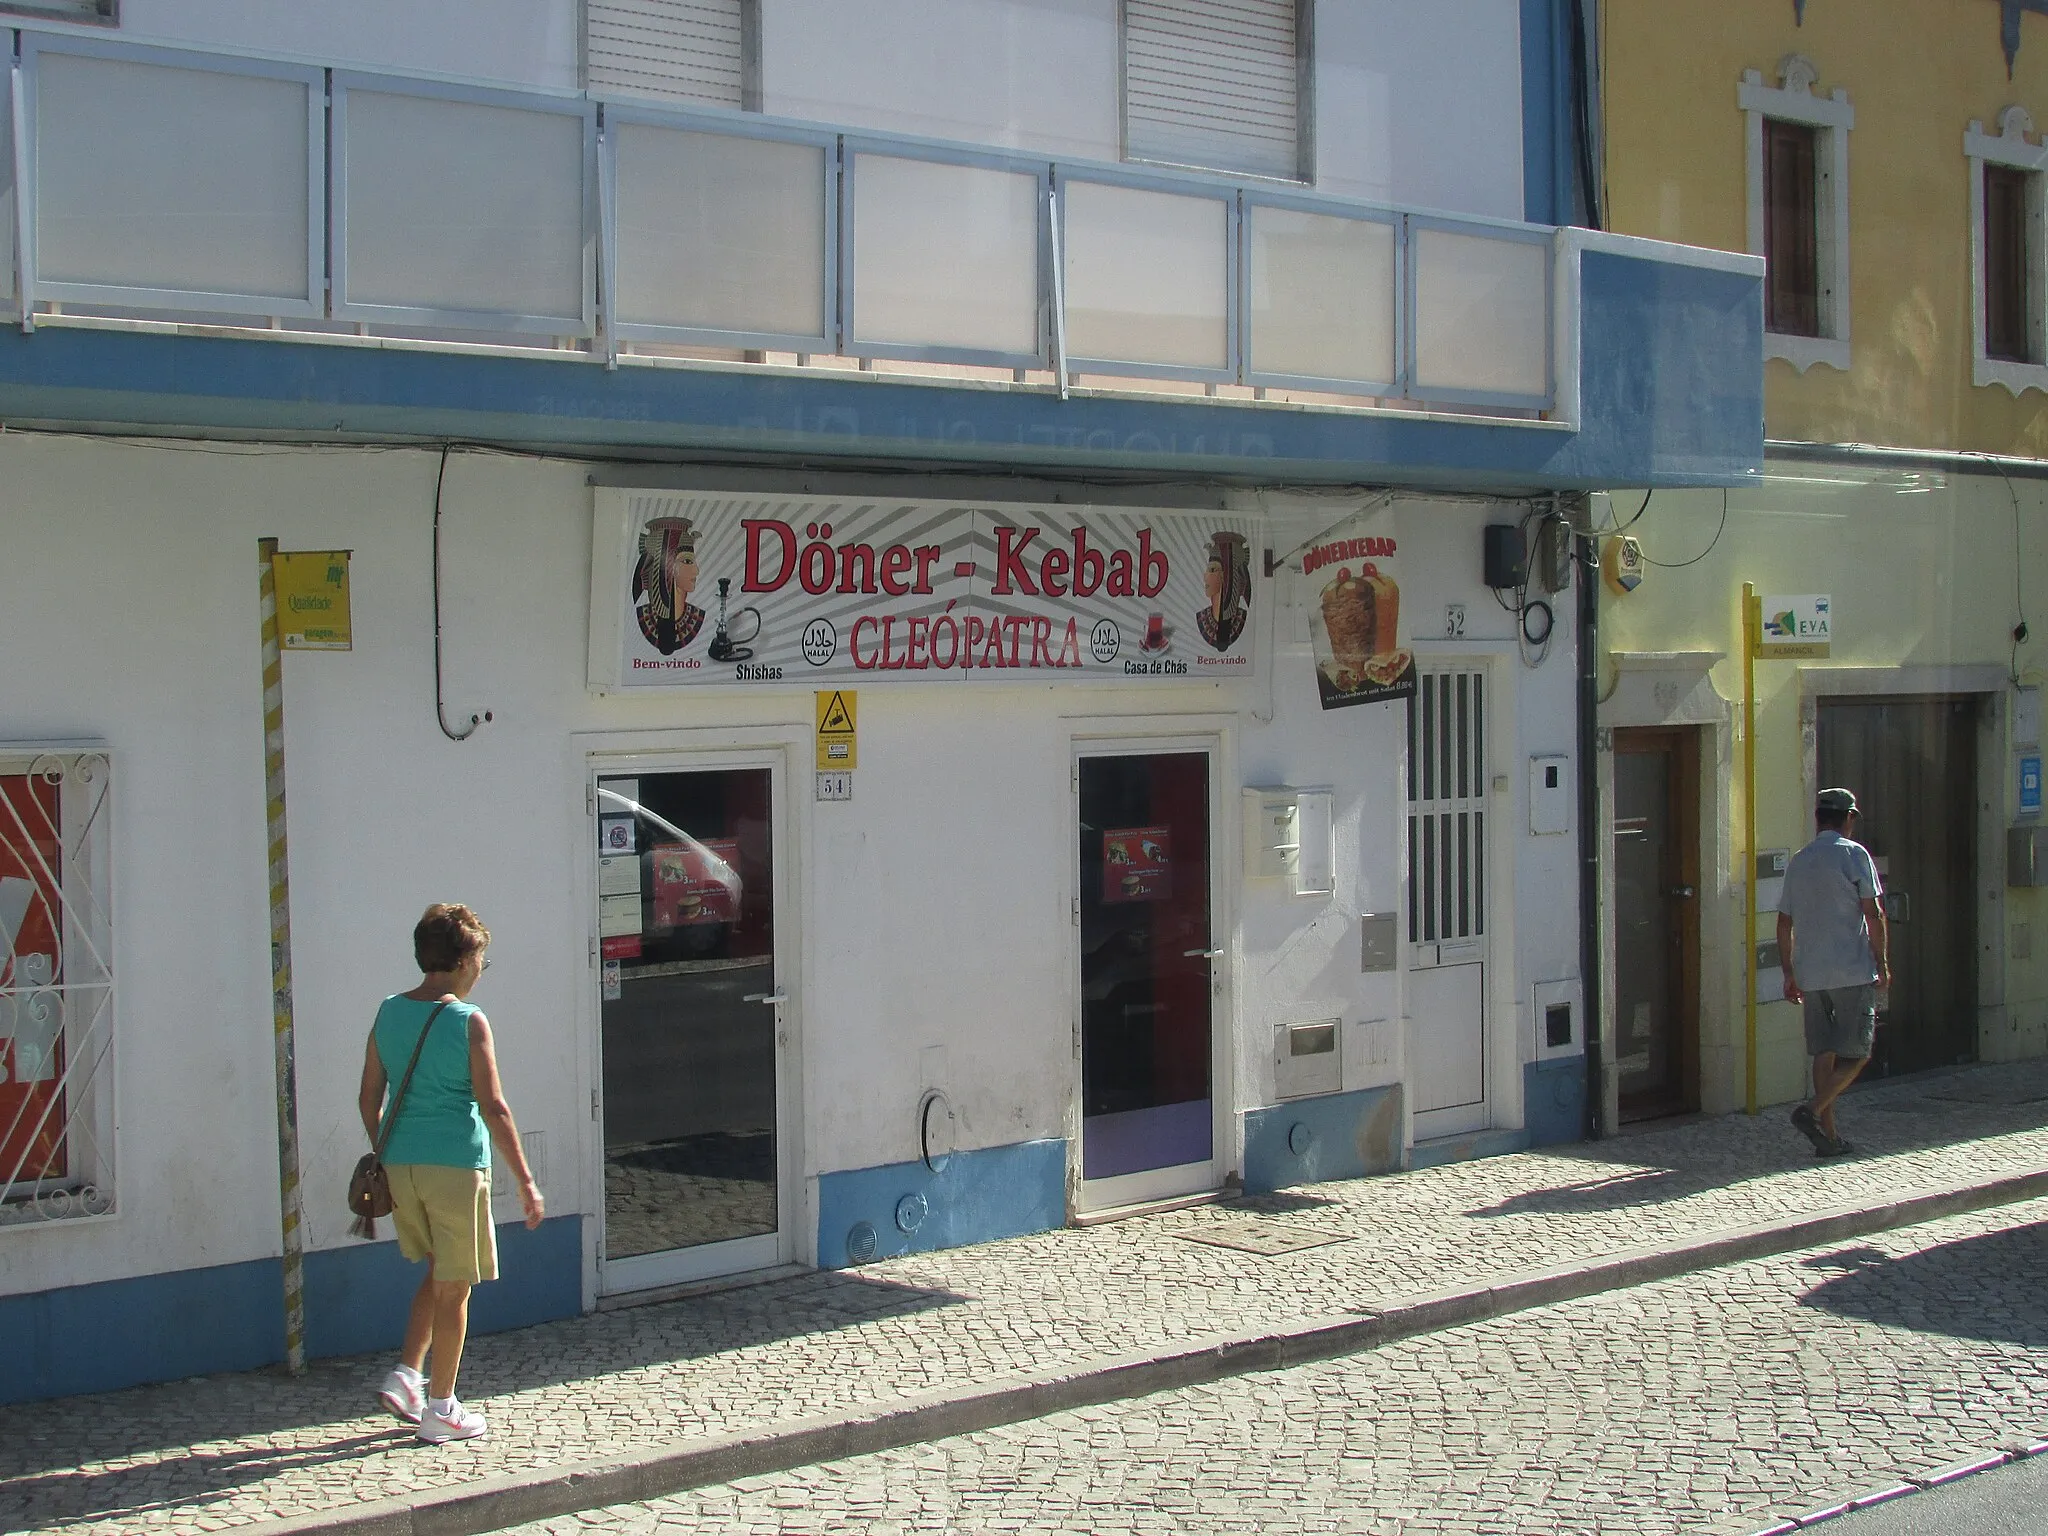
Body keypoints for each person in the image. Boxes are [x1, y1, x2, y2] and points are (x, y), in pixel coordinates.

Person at [357, 903, 543, 1443]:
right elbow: (495, 1107)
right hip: (456, 1165)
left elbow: (369, 1096)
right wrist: (527, 1181)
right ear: (464, 960)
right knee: (457, 1287)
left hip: (400, 1165)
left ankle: (408, 1376)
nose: (482, 967)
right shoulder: (468, 1020)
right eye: (482, 957)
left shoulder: (389, 1011)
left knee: (439, 1269)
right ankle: (442, 1408)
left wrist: (387, 1150)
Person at [1776, 787, 1890, 1158]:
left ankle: (1827, 1136)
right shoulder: (1855, 855)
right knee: (1857, 1053)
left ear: (1818, 819)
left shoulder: (1800, 859)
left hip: (1811, 974)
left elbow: (1783, 922)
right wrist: (1883, 961)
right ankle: (1810, 1112)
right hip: (1852, 970)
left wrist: (1789, 972)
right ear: (1849, 818)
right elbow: (1873, 913)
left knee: (1823, 1053)